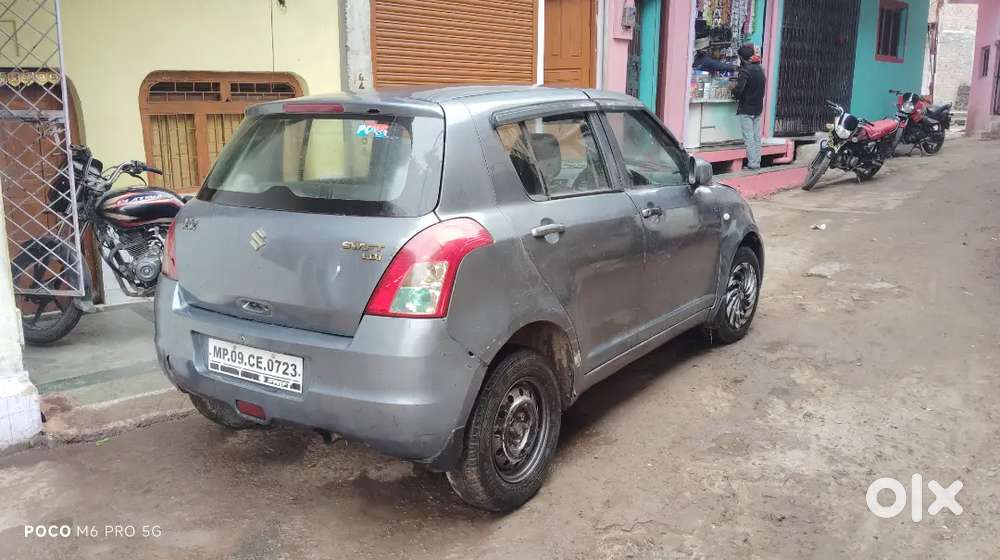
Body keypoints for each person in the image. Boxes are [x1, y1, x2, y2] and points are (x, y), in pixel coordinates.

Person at [732, 44, 766, 170]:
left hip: (747, 108)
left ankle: (753, 163)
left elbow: (739, 90)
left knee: (749, 136)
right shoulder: (760, 68)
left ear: (742, 57)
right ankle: (757, 161)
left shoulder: (745, 70)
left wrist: (733, 90)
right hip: (758, 108)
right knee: (757, 136)